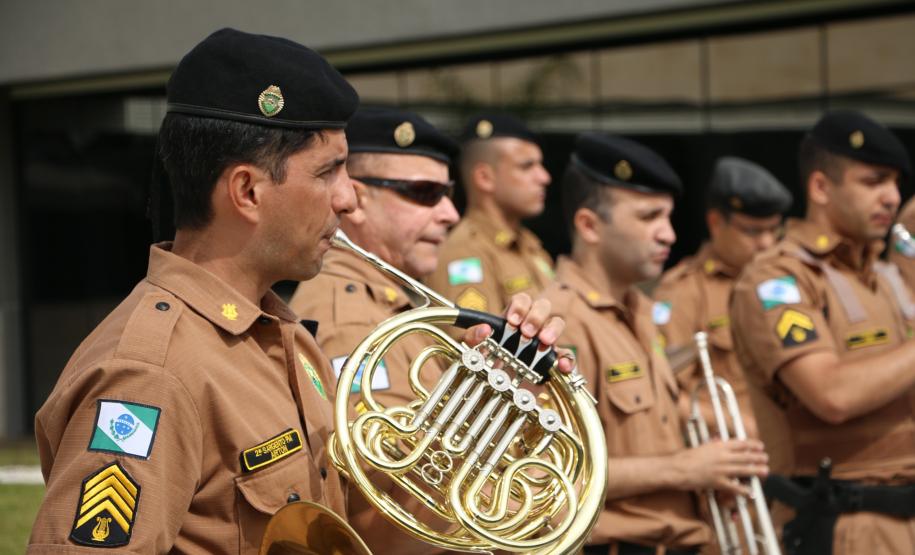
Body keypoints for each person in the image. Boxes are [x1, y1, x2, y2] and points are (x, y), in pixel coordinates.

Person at [26, 30, 563, 555]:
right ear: (248, 191)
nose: (349, 199)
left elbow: (375, 533)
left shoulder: (281, 336)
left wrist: (485, 404)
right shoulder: (150, 373)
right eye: (329, 172)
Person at [287, 107, 572, 554]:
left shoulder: (396, 305)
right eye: (424, 193)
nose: (449, 213)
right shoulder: (352, 318)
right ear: (356, 200)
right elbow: (397, 491)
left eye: (449, 193)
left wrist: (504, 384)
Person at [541, 133, 769, 555]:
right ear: (589, 225)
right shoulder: (558, 322)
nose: (668, 234)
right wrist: (683, 471)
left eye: (668, 217)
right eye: (649, 217)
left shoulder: (641, 311)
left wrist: (706, 479)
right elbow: (546, 478)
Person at [729, 110, 915, 555]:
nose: (890, 196)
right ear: (820, 188)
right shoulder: (777, 280)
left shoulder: (888, 275)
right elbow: (831, 394)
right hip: (841, 526)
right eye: (873, 182)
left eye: (894, 183)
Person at [654, 157, 792, 439]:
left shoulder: (790, 280)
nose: (766, 243)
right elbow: (663, 394)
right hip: (739, 450)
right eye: (752, 231)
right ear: (716, 222)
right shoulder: (683, 292)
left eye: (773, 230)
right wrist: (738, 425)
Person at [426, 113, 554, 314]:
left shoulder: (530, 245)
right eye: (526, 166)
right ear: (484, 177)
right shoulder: (463, 254)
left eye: (540, 165)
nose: (544, 177)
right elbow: (475, 341)